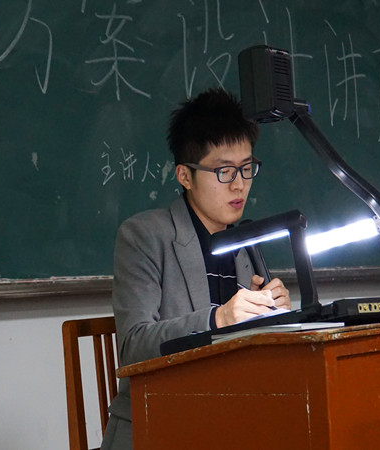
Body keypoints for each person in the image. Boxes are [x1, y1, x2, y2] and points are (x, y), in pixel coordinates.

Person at [100, 88, 291, 449]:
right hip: (158, 423)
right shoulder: (144, 235)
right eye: (224, 171)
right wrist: (218, 319)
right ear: (185, 176)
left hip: (227, 421)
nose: (239, 184)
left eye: (246, 168)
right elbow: (133, 346)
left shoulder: (245, 244)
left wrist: (275, 315)